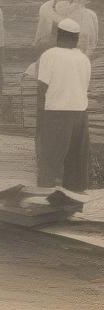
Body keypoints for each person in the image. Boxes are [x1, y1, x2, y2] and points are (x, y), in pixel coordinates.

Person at [35, 18, 92, 191]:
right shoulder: (84, 59)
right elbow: (83, 87)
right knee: (75, 163)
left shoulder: (50, 55)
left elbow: (42, 89)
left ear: (58, 35)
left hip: (56, 113)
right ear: (76, 38)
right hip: (80, 115)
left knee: (50, 159)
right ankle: (74, 200)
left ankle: (46, 195)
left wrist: (40, 119)